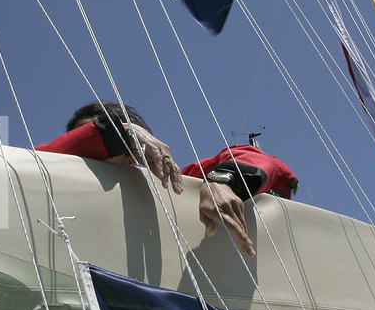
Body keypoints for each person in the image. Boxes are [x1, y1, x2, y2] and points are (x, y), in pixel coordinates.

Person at [35, 101, 255, 256]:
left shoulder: (166, 185)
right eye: (82, 140)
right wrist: (120, 132)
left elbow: (253, 157)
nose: (99, 152)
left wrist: (221, 182)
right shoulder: (38, 178)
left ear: (135, 154)